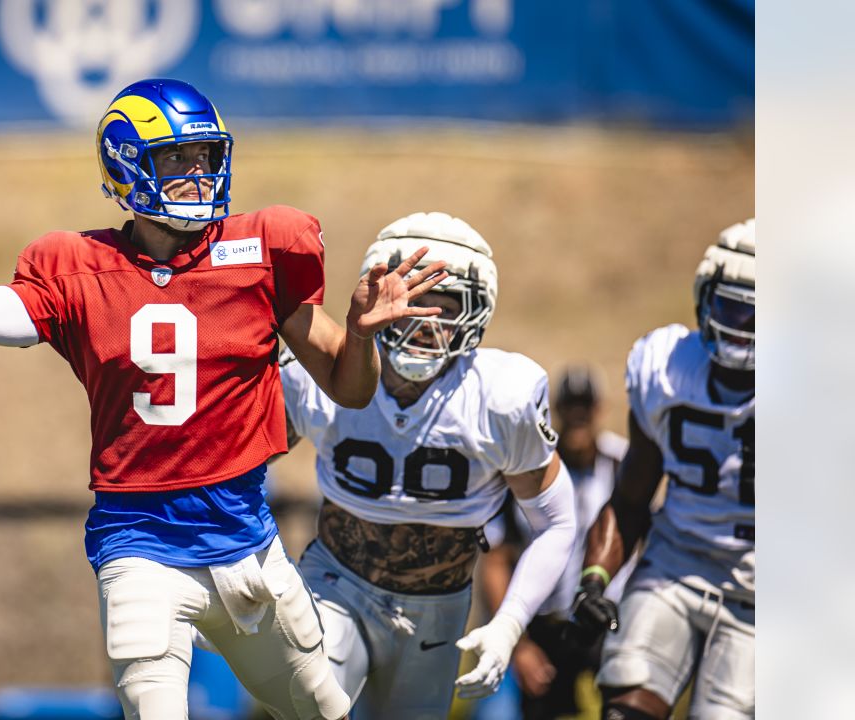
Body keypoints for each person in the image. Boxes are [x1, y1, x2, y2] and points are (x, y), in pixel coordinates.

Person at [0, 77, 450, 720]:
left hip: (249, 549)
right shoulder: (75, 269)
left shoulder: (263, 251)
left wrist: (358, 333)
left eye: (205, 157)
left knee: (327, 714)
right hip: (140, 552)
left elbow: (351, 390)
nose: (197, 175)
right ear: (127, 166)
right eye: (175, 159)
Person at [278, 212, 578, 719]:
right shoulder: (324, 374)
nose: (424, 324)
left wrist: (510, 625)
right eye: (413, 302)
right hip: (334, 582)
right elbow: (233, 468)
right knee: (315, 706)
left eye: (444, 308)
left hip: (437, 613)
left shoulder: (500, 399)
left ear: (475, 313)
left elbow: (558, 523)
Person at [572, 220, 756, 719]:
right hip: (675, 568)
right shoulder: (668, 369)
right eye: (732, 309)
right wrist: (594, 580)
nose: (741, 329)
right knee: (624, 703)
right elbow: (632, 498)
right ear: (704, 299)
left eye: (757, 316)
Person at [474, 365, 633, 719]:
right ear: (554, 411)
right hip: (545, 625)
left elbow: (649, 543)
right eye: (569, 407)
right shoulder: (529, 470)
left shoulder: (623, 464)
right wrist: (517, 644)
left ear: (599, 410)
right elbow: (497, 559)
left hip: (610, 622)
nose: (577, 416)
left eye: (585, 406)